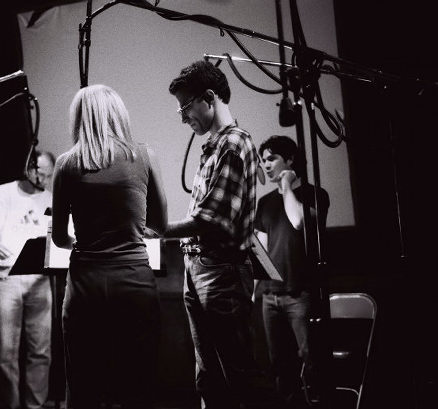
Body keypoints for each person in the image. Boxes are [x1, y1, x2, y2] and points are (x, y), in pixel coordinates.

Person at [52, 84, 168, 409]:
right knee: (138, 388)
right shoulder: (144, 155)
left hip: (85, 287)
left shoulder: (65, 164)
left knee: (84, 389)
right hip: (134, 283)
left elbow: (59, 238)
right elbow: (160, 226)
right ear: (119, 115)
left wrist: (81, 241)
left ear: (80, 118)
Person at [163, 60, 259, 409]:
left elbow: (212, 219)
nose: (182, 117)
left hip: (220, 272)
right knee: (209, 377)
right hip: (202, 269)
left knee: (235, 376)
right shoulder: (218, 146)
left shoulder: (233, 144)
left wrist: (158, 229)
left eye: (185, 107)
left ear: (208, 98)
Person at [0, 150, 56, 409]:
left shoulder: (50, 199)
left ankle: (35, 406)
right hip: (6, 278)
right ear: (28, 168)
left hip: (39, 280)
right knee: (7, 353)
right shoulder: (3, 194)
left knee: (40, 350)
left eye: (49, 176)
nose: (44, 180)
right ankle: (11, 405)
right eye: (41, 174)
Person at [254, 135, 330, 408]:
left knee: (311, 360)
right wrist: (254, 290)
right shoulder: (264, 203)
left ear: (289, 160)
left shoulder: (316, 194)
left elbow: (298, 221)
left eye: (272, 158)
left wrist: (286, 185)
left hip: (301, 293)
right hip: (270, 296)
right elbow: (261, 250)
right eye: (263, 160)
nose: (266, 165)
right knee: (279, 364)